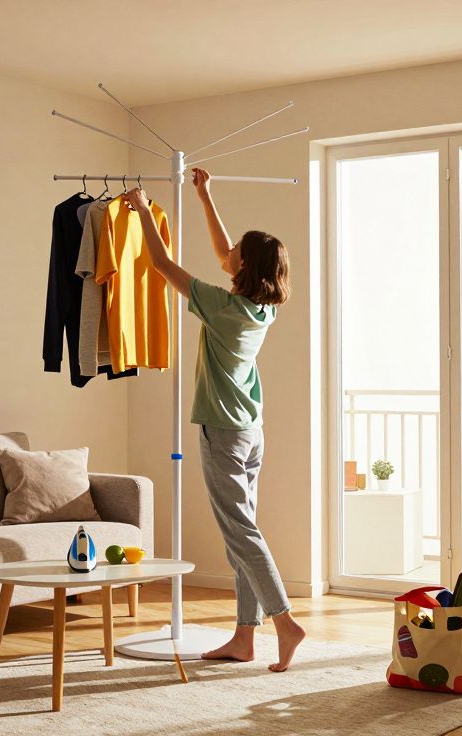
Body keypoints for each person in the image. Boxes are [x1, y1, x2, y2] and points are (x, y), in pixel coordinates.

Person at [123, 167, 305, 672]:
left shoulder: (224, 307)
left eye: (237, 255)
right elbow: (226, 252)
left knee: (241, 533)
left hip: (223, 433)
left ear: (246, 266)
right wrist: (205, 197)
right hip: (250, 432)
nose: (229, 258)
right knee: (242, 533)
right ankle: (245, 638)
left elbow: (161, 264)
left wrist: (140, 210)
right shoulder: (261, 307)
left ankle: (284, 621)